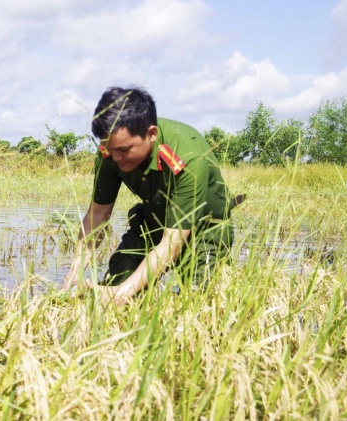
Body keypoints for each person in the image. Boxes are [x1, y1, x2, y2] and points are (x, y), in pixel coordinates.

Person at [61, 87, 237, 306]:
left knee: (201, 303)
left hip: (203, 229)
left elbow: (172, 242)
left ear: (151, 134)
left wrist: (121, 293)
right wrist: (74, 273)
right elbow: (98, 213)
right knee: (117, 282)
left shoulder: (188, 156)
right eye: (109, 148)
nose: (115, 157)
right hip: (152, 220)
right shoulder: (111, 152)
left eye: (124, 150)